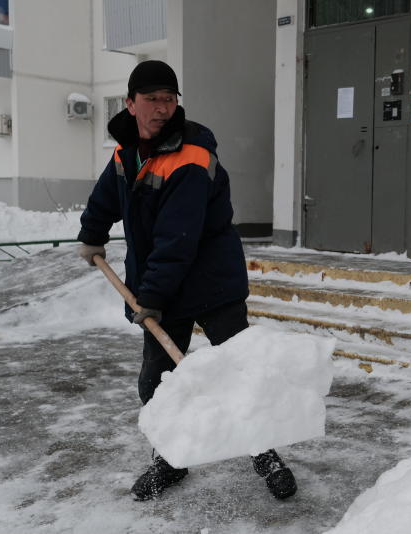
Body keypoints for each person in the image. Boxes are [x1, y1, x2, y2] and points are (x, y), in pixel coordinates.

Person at [76, 60, 296, 501]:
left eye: (169, 99)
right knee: (154, 382)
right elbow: (106, 198)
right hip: (163, 286)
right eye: (153, 99)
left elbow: (177, 238)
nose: (162, 108)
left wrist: (150, 296)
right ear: (131, 103)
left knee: (237, 375)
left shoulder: (191, 155)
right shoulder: (125, 152)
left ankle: (264, 453)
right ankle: (171, 459)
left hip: (211, 284)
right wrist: (91, 235)